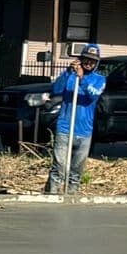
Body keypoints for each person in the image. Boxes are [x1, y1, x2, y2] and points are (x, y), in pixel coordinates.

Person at [44, 43, 106, 196]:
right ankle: (52, 194)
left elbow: (93, 95)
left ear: (97, 62)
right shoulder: (70, 77)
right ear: (81, 59)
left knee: (77, 169)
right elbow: (56, 89)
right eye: (86, 59)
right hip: (65, 127)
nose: (89, 63)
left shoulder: (100, 80)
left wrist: (82, 78)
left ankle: (72, 195)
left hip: (84, 131)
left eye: (93, 60)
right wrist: (67, 72)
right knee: (59, 165)